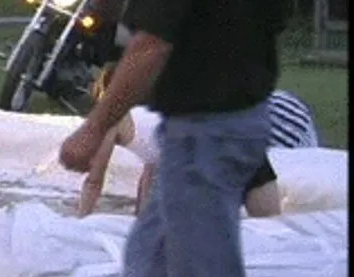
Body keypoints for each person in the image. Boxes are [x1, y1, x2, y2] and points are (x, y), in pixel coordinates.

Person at [58, 0, 289, 276]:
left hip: (206, 129)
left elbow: (151, 44)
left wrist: (94, 128)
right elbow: (280, 13)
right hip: (244, 118)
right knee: (149, 260)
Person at [78, 64, 320, 218]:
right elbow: (149, 171)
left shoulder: (113, 120)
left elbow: (94, 181)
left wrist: (79, 221)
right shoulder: (149, 116)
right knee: (271, 229)